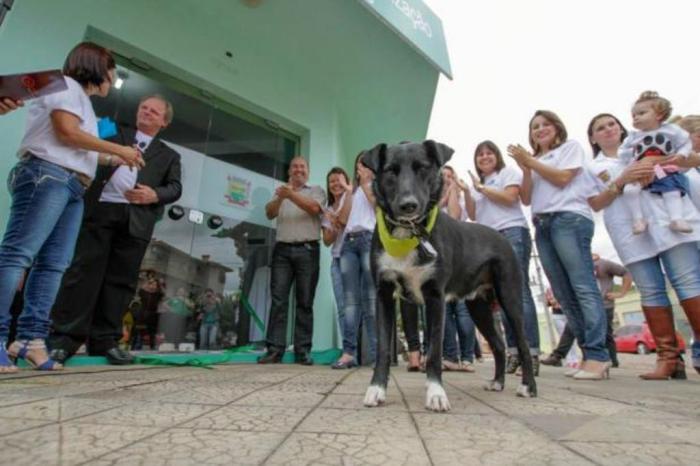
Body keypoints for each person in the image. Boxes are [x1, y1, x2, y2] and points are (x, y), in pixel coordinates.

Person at [0, 42, 143, 373]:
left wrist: (117, 157)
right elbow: (66, 134)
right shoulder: (65, 85)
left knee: (54, 265)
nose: (112, 78)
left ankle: (31, 340)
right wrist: (118, 150)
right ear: (97, 65)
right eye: (111, 70)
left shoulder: (83, 103)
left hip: (73, 185)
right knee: (18, 256)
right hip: (46, 176)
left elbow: (79, 147)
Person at [48, 94, 181, 365]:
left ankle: (105, 341)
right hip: (100, 210)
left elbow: (175, 188)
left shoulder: (169, 155)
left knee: (121, 282)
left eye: (154, 112)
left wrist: (154, 194)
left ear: (164, 122)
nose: (146, 112)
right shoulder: (111, 129)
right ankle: (63, 340)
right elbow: (85, 145)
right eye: (143, 107)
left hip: (137, 220)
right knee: (82, 273)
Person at [587, 112, 700, 378]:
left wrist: (656, 164)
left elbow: (687, 161)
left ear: (621, 126)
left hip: (669, 222)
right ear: (593, 137)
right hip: (630, 231)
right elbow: (595, 202)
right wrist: (622, 179)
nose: (607, 130)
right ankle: (668, 359)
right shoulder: (592, 167)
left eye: (611, 124)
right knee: (651, 291)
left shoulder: (648, 144)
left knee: (688, 284)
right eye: (600, 128)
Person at [508, 110, 611, 380]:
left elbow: (563, 178)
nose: (539, 130)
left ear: (556, 127)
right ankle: (589, 353)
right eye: (534, 127)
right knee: (564, 294)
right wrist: (527, 169)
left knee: (582, 286)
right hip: (542, 223)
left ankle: (599, 355)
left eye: (544, 125)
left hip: (569, 219)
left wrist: (530, 161)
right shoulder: (534, 161)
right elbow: (527, 198)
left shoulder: (570, 148)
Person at [462, 140, 541, 375]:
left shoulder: (507, 172)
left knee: (518, 293)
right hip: (487, 242)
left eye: (489, 153)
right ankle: (514, 352)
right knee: (501, 297)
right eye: (480, 155)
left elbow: (510, 198)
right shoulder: (480, 184)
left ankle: (532, 352)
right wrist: (468, 191)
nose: (484, 157)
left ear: (497, 156)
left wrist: (482, 189)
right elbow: (474, 215)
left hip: (511, 232)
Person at [258, 156, 326, 365]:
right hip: (282, 251)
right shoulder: (281, 191)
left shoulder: (316, 190)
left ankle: (302, 351)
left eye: (302, 166)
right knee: (278, 300)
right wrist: (281, 197)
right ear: (289, 170)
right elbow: (269, 213)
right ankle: (274, 350)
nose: (298, 169)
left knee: (305, 302)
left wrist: (291, 195)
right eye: (294, 166)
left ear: (308, 171)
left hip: (307, 249)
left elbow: (314, 209)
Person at [618, 91, 693, 234]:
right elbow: (622, 153)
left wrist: (681, 155)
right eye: (634, 116)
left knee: (671, 189)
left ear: (659, 115)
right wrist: (633, 160)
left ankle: (676, 218)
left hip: (662, 168)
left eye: (641, 113)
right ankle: (638, 219)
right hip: (641, 171)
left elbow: (686, 143)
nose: (636, 118)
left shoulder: (671, 130)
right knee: (629, 190)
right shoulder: (633, 137)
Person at [542, 254, 632, 368]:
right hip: (586, 305)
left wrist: (622, 293)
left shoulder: (603, 264)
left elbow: (625, 272)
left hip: (605, 304)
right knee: (572, 327)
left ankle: (612, 361)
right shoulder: (576, 267)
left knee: (606, 333)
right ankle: (558, 355)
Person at [332, 153, 377, 369]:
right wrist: (350, 192)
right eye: (359, 163)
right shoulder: (352, 190)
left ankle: (378, 355)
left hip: (369, 240)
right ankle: (349, 353)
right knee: (350, 302)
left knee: (370, 300)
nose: (361, 167)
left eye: (366, 163)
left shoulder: (377, 184)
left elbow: (379, 208)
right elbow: (343, 219)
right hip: (348, 244)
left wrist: (367, 183)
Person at [439, 166, 476, 372]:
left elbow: (454, 216)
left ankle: (468, 356)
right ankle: (450, 355)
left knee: (463, 310)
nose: (446, 179)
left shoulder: (460, 199)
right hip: (440, 259)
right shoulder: (432, 201)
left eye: (450, 176)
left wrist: (453, 191)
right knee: (444, 309)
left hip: (461, 258)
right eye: (442, 176)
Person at [321, 167, 352, 357]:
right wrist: (332, 224)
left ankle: (364, 351)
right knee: (342, 308)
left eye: (338, 180)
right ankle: (348, 350)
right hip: (337, 260)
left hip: (355, 258)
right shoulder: (328, 209)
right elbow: (327, 240)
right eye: (331, 181)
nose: (335, 184)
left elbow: (347, 221)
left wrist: (338, 220)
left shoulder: (355, 200)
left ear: (346, 181)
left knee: (359, 307)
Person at [540, 288, 580, 368]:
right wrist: (551, 301)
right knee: (563, 336)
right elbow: (548, 303)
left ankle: (574, 359)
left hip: (569, 312)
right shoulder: (549, 289)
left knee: (571, 335)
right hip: (557, 314)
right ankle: (570, 360)